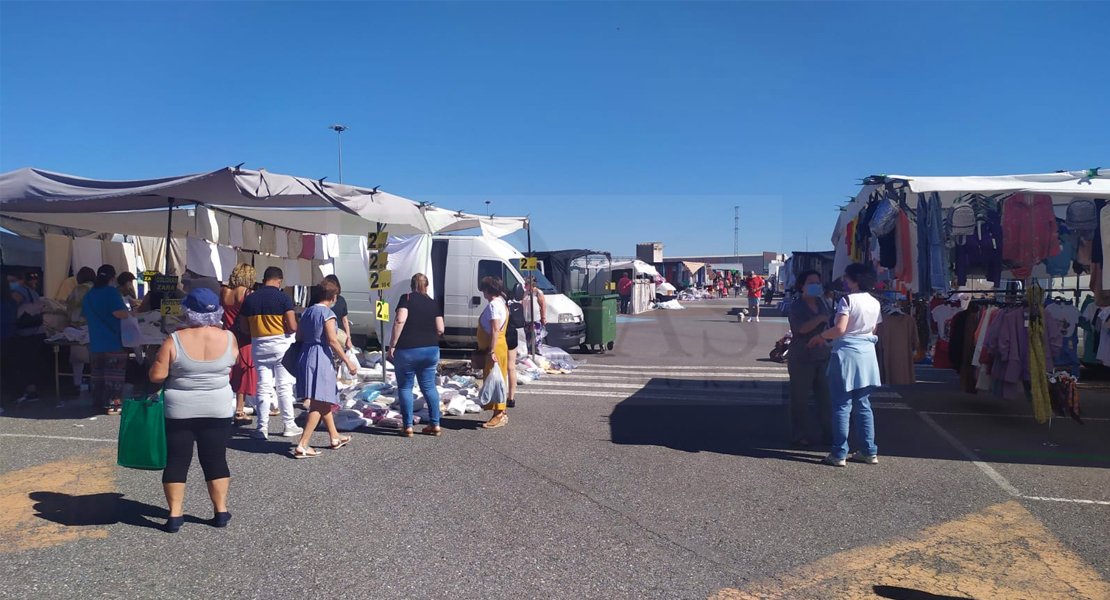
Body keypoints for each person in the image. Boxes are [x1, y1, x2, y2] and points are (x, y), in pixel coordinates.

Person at [148, 288, 238, 533]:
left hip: (180, 409)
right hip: (217, 407)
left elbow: (157, 376)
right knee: (215, 459)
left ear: (188, 311)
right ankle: (220, 510)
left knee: (177, 460)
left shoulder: (174, 339)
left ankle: (175, 514)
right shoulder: (229, 338)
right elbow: (233, 362)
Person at [808, 262, 882, 467]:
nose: (845, 281)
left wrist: (822, 336)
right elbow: (873, 330)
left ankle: (839, 453)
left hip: (846, 355)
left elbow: (840, 328)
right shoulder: (875, 302)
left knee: (841, 405)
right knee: (863, 405)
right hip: (867, 354)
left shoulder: (847, 300)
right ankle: (869, 451)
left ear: (855, 280)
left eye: (847, 278)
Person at [292, 278, 358, 457]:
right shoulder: (327, 314)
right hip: (321, 356)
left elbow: (298, 336)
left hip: (306, 354)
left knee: (323, 399)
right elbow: (332, 341)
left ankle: (334, 436)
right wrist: (348, 361)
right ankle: (303, 444)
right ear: (334, 296)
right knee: (318, 401)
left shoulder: (307, 312)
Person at [239, 266, 302, 440]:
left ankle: (262, 427)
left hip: (259, 346)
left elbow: (244, 328)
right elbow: (292, 326)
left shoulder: (250, 300)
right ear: (279, 281)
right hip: (281, 346)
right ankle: (289, 425)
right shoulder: (283, 298)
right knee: (284, 387)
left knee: (263, 387)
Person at [388, 273, 445, 436]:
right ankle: (435, 424)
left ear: (412, 286)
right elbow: (441, 328)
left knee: (405, 387)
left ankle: (407, 426)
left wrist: (393, 344)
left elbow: (400, 320)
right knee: (428, 386)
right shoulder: (433, 303)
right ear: (426, 286)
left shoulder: (406, 298)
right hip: (431, 350)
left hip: (408, 349)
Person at [786, 270, 833, 447]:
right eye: (811, 282)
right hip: (801, 357)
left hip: (823, 356)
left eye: (818, 282)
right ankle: (798, 435)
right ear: (802, 286)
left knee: (826, 398)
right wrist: (820, 318)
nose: (816, 286)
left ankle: (830, 433)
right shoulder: (796, 306)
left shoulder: (824, 302)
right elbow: (801, 329)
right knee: (799, 399)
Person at [82, 265, 131, 414]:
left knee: (98, 375)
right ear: (112, 278)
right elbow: (119, 313)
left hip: (96, 341)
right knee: (114, 376)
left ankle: (98, 402)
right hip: (113, 340)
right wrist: (129, 313)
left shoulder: (89, 294)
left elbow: (84, 315)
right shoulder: (111, 292)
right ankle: (113, 405)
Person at [220, 263, 257, 427]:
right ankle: (240, 410)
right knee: (242, 372)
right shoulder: (248, 293)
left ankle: (224, 406)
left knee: (227, 372)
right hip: (243, 337)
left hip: (227, 334)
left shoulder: (224, 291)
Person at [476, 275, 509, 428]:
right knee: (498, 379)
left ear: (488, 290)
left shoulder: (493, 306)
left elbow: (495, 329)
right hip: (500, 345)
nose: (483, 293)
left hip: (495, 347)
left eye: (483, 290)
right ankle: (499, 411)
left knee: (494, 381)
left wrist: (491, 350)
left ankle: (499, 414)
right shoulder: (501, 303)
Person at [64, 267, 97, 396]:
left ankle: (77, 383)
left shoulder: (79, 289)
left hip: (78, 326)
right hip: (95, 327)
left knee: (77, 360)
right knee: (95, 359)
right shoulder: (98, 289)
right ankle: (94, 383)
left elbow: (70, 305)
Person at [323, 274, 354, 352]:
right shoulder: (320, 300)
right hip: (324, 337)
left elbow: (345, 320)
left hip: (339, 336)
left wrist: (348, 338)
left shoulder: (341, 300)